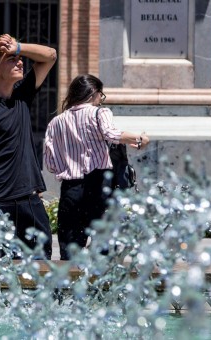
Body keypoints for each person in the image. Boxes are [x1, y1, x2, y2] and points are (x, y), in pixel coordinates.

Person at [0, 34, 57, 260]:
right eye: (11, 59)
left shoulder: (22, 96)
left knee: (41, 274)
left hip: (31, 202)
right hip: (0, 205)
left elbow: (50, 56)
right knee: (2, 280)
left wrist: (19, 47)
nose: (20, 62)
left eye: (19, 58)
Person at [43, 74, 150, 260]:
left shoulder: (55, 123)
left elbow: (51, 164)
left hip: (70, 191)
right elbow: (110, 133)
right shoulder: (99, 113)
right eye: (101, 95)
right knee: (104, 253)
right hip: (99, 187)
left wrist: (71, 161)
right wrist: (140, 139)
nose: (101, 99)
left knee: (69, 255)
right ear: (93, 92)